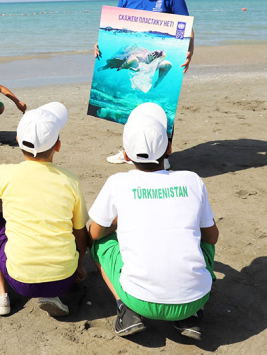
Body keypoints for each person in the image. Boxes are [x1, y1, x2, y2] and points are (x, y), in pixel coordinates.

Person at [88, 102, 218, 340]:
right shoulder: (192, 180)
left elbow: (95, 233)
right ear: (168, 148)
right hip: (194, 298)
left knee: (98, 245)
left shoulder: (118, 182)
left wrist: (118, 224)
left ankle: (124, 308)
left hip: (139, 300)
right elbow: (212, 237)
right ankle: (190, 315)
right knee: (204, 240)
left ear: (126, 155)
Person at [0, 102, 89, 317]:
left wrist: (0, 205)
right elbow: (81, 233)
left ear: (17, 141)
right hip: (65, 279)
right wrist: (80, 265)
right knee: (66, 223)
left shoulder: (6, 173)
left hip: (21, 281)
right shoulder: (70, 180)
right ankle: (51, 294)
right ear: (58, 146)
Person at [96, 0, 194, 168]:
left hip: (151, 51)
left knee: (161, 105)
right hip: (133, 53)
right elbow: (118, 25)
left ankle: (163, 155)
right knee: (133, 106)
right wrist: (101, 45)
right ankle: (129, 152)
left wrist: (190, 52)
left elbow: (186, 27)